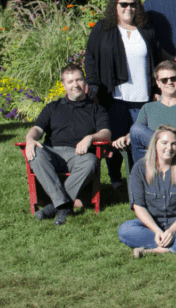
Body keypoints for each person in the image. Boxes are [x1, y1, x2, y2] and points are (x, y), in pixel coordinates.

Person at [84, 0, 162, 188]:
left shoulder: (146, 29)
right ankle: (116, 178)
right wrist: (92, 82)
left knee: (141, 139)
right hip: (115, 94)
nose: (129, 8)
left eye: (133, 4)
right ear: (115, 7)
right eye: (124, 4)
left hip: (142, 95)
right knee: (116, 139)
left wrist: (157, 88)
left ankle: (143, 177)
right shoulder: (103, 28)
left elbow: (156, 60)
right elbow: (90, 57)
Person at [23, 64, 111, 225]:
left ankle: (55, 206)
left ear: (85, 82)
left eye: (78, 80)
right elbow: (36, 129)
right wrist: (30, 139)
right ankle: (64, 204)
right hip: (53, 152)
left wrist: (90, 138)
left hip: (78, 155)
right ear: (63, 84)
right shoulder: (52, 107)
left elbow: (106, 133)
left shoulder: (96, 110)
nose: (75, 85)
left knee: (91, 161)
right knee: (35, 153)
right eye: (70, 81)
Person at [118, 125, 176, 258]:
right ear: (155, 144)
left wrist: (173, 230)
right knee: (125, 230)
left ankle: (157, 250)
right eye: (164, 143)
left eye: (174, 144)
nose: (169, 148)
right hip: (152, 224)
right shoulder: (140, 168)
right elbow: (138, 205)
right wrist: (156, 231)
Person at [112, 61, 176, 165]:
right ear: (158, 83)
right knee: (135, 129)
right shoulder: (148, 108)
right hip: (153, 161)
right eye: (164, 80)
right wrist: (125, 138)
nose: (169, 82)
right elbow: (137, 132)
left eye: (173, 78)